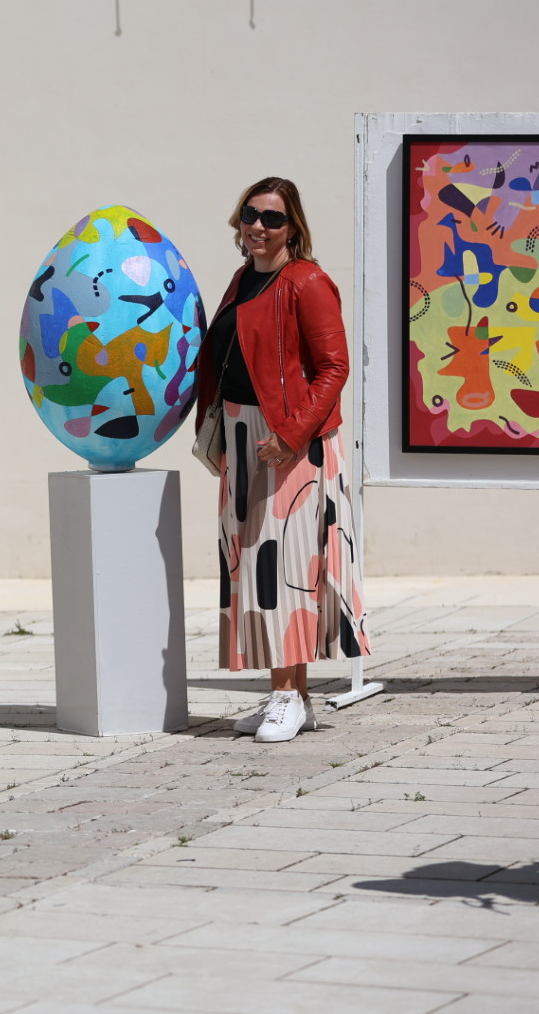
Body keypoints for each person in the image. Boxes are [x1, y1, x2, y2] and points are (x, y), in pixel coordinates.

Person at [193, 176, 370, 743]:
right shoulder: (243, 280)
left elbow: (334, 369)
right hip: (246, 440)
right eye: (251, 214)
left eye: (273, 218)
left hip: (292, 444)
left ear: (293, 225)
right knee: (257, 571)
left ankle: (287, 697)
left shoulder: (308, 281)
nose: (259, 227)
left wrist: (291, 434)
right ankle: (293, 697)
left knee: (286, 572)